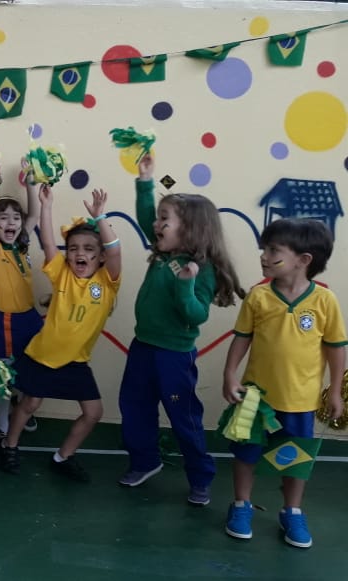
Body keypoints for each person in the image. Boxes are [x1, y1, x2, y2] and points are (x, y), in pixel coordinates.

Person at [118, 154, 244, 506]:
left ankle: (201, 477)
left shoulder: (197, 268)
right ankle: (145, 461)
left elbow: (195, 316)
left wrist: (186, 285)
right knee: (135, 407)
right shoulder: (161, 252)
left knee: (184, 418)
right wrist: (145, 180)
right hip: (143, 347)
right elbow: (146, 218)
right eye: (158, 219)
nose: (156, 225)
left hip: (174, 356)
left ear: (189, 230)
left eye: (164, 220)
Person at [221, 218, 345, 549]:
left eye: (274, 250)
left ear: (304, 260)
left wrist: (334, 390)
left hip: (301, 402)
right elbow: (241, 339)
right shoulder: (258, 297)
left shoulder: (324, 302)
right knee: (246, 454)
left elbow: (335, 348)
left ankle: (291, 511)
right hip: (254, 398)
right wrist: (230, 374)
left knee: (296, 460)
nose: (264, 256)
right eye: (264, 249)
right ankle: (241, 505)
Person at [0, 186, 121, 482]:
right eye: (74, 248)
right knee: (29, 403)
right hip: (41, 356)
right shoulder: (62, 273)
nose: (80, 253)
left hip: (75, 362)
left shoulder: (108, 282)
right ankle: (9, 445)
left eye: (89, 249)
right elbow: (50, 242)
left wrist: (99, 216)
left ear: (101, 257)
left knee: (93, 413)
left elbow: (115, 249)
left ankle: (62, 456)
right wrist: (47, 206)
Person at [0, 163, 43, 456]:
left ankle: (22, 411)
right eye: (4, 218)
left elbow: (35, 214)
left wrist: (31, 180)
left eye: (15, 218)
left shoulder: (23, 245)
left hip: (29, 318)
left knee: (30, 368)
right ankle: (3, 426)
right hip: (4, 319)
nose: (12, 223)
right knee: (5, 374)